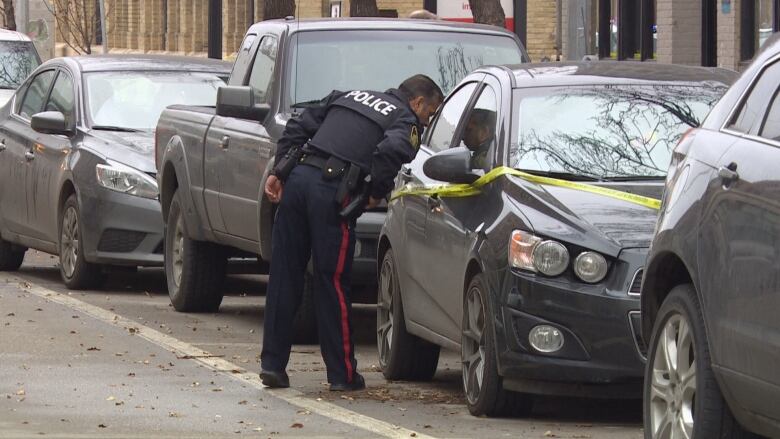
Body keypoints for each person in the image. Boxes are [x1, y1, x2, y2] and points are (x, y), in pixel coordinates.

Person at [260, 75, 444, 391]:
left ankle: (272, 366)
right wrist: (374, 191)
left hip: (299, 182)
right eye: (428, 114)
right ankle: (342, 375)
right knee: (331, 282)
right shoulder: (404, 119)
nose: (425, 123)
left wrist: (280, 171)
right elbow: (393, 150)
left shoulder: (347, 95)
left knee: (284, 275)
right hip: (332, 192)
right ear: (417, 102)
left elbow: (297, 127)